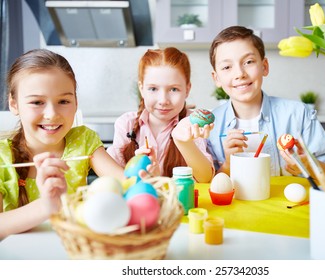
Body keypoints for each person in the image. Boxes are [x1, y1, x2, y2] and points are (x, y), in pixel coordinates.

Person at [0, 49, 124, 238]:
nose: (52, 114)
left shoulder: (84, 140)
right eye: (37, 102)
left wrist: (144, 178)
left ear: (76, 102)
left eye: (63, 101)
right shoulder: (3, 158)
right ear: (14, 104)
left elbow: (126, 182)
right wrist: (46, 206)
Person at [207, 26, 325, 181]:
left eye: (248, 62)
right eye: (227, 67)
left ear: (264, 67)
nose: (240, 74)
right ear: (216, 79)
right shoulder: (210, 126)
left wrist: (309, 166)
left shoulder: (298, 114)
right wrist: (228, 165)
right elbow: (206, 185)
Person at [107, 47, 214, 183]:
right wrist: (137, 169)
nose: (163, 100)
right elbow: (112, 177)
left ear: (187, 89)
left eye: (174, 89)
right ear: (142, 89)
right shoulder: (126, 124)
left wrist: (185, 142)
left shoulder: (191, 123)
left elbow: (205, 178)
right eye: (153, 89)